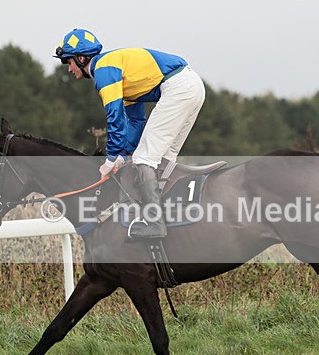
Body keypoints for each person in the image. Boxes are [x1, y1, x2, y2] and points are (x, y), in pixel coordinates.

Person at [54, 28, 205, 239]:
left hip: (178, 88)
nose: (68, 69)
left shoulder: (104, 71)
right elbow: (135, 120)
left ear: (80, 58)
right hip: (192, 85)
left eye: (67, 62)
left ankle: (155, 224)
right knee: (161, 159)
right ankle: (167, 216)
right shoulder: (117, 70)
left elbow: (114, 117)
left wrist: (111, 157)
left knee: (144, 159)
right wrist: (123, 154)